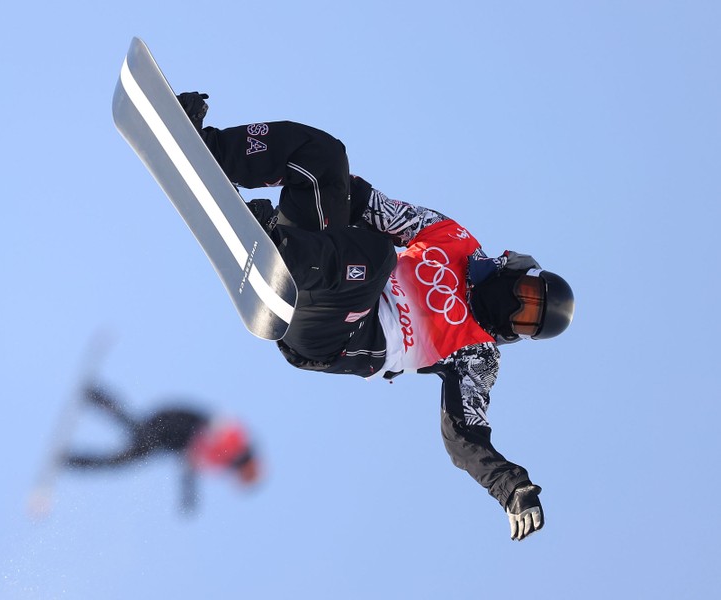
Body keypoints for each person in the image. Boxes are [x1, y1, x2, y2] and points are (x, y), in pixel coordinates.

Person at [176, 92, 575, 541]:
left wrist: (510, 487)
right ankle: (207, 150)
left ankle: (280, 254)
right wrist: (326, 187)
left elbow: (465, 434)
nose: (515, 314)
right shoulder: (453, 239)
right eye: (525, 298)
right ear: (515, 270)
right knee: (326, 155)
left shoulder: (477, 354)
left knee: (378, 256)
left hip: (332, 332)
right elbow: (367, 203)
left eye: (525, 323)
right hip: (321, 267)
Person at [63, 383, 260, 514]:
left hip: (165, 440)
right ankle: (95, 396)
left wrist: (187, 495)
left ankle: (71, 460)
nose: (239, 477)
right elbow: (209, 422)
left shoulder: (221, 464)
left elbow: (190, 464)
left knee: (124, 455)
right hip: (171, 423)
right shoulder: (237, 441)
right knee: (134, 432)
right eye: (246, 475)